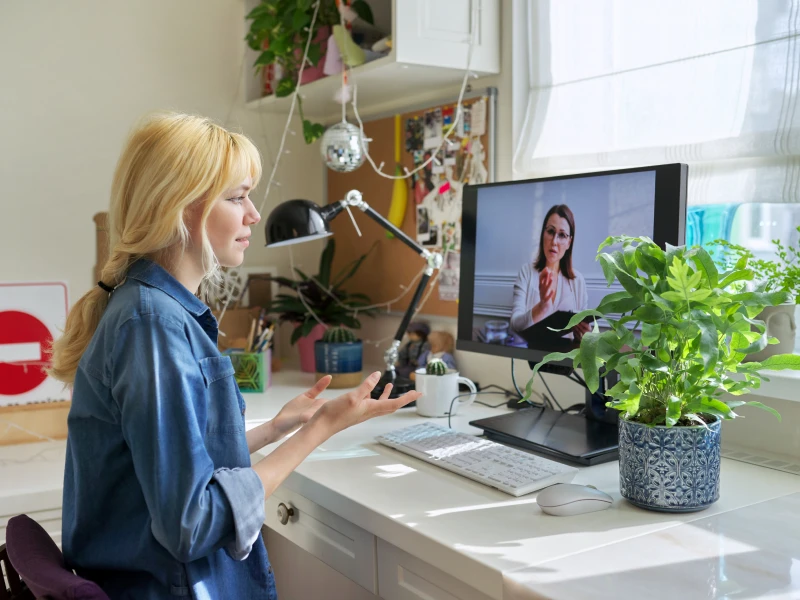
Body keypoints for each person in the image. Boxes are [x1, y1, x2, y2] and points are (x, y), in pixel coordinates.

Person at [48, 113, 421, 599]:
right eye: (238, 196)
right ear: (181, 208)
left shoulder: (152, 310)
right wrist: (322, 428)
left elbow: (171, 464)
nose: (253, 215)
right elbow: (193, 524)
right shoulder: (153, 325)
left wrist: (275, 428)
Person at [510, 204, 590, 342]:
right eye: (550, 231)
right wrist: (542, 306)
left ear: (569, 242)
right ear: (543, 234)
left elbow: (584, 339)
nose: (554, 241)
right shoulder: (526, 273)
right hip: (532, 358)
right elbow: (515, 325)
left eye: (562, 235)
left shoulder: (578, 281)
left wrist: (584, 335)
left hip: (565, 360)